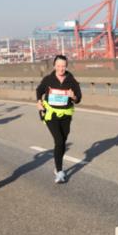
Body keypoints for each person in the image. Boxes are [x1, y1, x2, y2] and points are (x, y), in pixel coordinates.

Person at [36, 55, 82, 183]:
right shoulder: (48, 79)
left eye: (63, 66)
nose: (61, 68)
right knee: (59, 140)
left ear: (66, 66)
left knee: (63, 139)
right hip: (51, 114)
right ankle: (59, 171)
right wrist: (39, 102)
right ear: (54, 66)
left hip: (66, 114)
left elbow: (79, 98)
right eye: (58, 66)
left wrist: (73, 97)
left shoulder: (71, 80)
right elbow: (39, 90)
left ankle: (58, 163)